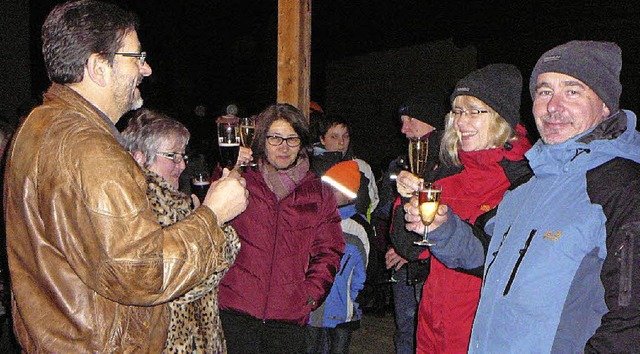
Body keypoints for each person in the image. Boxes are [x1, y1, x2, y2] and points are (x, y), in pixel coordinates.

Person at [3, 1, 248, 352]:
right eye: (136, 57)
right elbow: (142, 272)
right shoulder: (93, 151)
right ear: (98, 66)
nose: (146, 69)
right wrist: (213, 215)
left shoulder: (36, 127)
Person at [404, 40, 640, 353]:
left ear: (606, 105)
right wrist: (443, 230)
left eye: (572, 91)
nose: (553, 106)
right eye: (544, 91)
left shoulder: (621, 187)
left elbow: (630, 321)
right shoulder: (529, 186)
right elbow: (488, 260)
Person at [395, 64, 533, 353]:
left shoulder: (523, 180)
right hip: (432, 330)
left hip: (484, 336)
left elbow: (502, 263)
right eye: (457, 112)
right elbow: (410, 248)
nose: (461, 122)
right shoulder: (448, 175)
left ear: (501, 117)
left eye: (474, 111)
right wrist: (407, 201)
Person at [218, 103, 345, 354]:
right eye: (275, 138)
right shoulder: (240, 181)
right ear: (262, 140)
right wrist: (229, 169)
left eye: (292, 139)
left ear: (302, 143)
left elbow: (330, 250)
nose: (283, 147)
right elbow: (210, 224)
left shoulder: (318, 192)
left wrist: (309, 294)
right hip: (235, 310)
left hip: (288, 317)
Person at [121, 109, 240, 353]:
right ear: (139, 157)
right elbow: (177, 284)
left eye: (182, 155)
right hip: (170, 342)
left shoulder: (176, 201)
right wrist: (221, 231)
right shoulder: (143, 206)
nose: (182, 164)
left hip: (196, 338)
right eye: (172, 156)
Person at [379, 92, 449, 354]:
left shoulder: (446, 160)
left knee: (424, 334)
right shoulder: (404, 161)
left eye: (410, 120)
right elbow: (389, 211)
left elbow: (446, 217)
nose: (403, 128)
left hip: (428, 267)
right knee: (407, 332)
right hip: (404, 263)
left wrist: (411, 251)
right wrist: (393, 244)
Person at [307, 160, 370, 354]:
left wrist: (356, 300)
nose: (328, 194)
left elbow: (366, 270)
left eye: (334, 190)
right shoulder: (315, 219)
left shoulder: (358, 228)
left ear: (348, 194)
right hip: (312, 307)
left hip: (343, 309)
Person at [313, 114, 379, 220]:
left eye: (346, 136)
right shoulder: (311, 167)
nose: (341, 142)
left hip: (356, 229)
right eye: (334, 137)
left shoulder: (361, 167)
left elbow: (371, 205)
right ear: (322, 139)